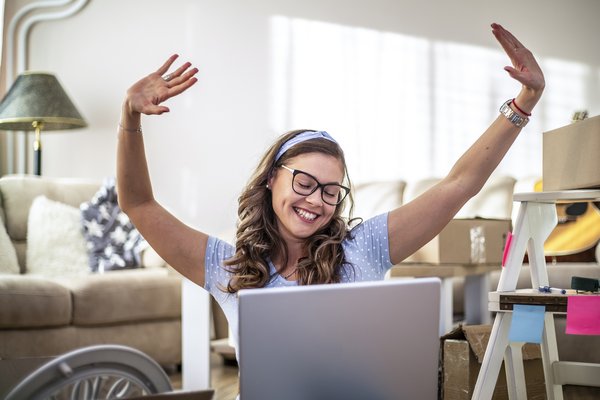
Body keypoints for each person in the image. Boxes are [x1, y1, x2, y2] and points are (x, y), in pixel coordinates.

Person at [116, 23, 544, 359]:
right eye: (304, 183)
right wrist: (130, 118)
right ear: (271, 179)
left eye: (330, 191)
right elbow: (138, 204)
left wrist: (524, 101)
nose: (315, 200)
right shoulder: (227, 271)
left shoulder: (365, 249)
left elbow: (459, 185)